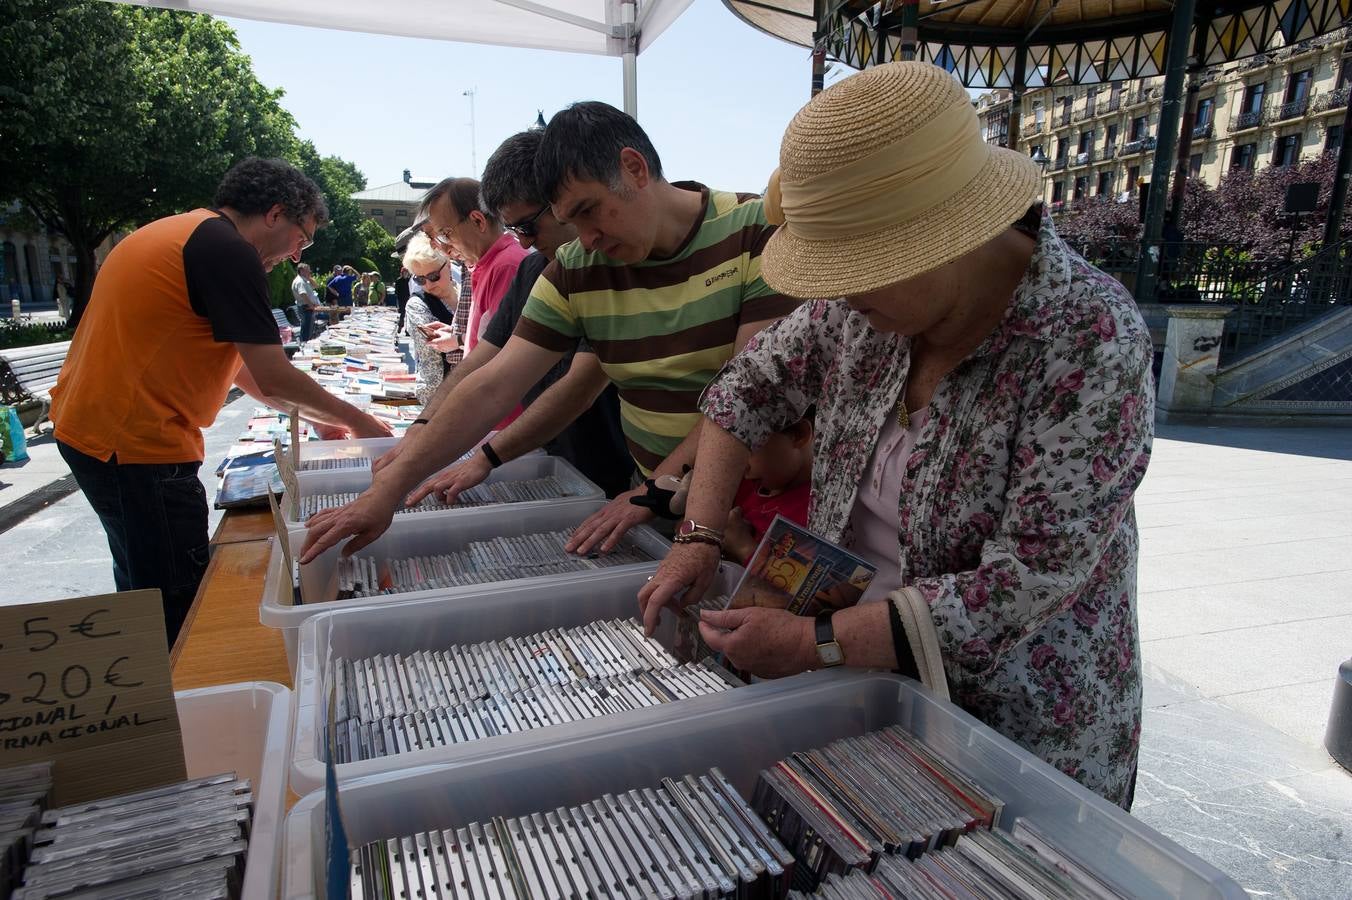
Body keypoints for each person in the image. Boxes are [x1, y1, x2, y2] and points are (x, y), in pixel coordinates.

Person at [637, 62, 1155, 810]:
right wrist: (697, 534)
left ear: (951, 239)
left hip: (1012, 724)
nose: (840, 294)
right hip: (855, 683)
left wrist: (818, 643)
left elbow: (1023, 582)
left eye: (860, 270)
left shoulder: (1090, 339)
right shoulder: (855, 315)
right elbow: (741, 394)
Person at [300, 101, 798, 565]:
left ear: (634, 168)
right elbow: (494, 381)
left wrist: (660, 492)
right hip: (654, 498)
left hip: (760, 511)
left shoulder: (756, 231)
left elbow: (745, 400)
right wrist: (389, 490)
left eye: (588, 210)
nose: (585, 239)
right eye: (567, 221)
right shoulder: (577, 266)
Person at [49, 157, 391, 647]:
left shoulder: (188, 232)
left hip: (100, 434)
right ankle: (173, 703)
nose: (298, 254)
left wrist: (312, 415)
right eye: (303, 237)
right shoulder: (228, 252)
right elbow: (272, 376)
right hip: (134, 445)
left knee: (142, 581)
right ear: (275, 214)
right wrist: (361, 423)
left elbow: (239, 365)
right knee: (173, 602)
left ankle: (158, 684)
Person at [374, 129, 634, 500]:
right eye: (515, 229)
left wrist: (483, 458)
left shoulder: (536, 264)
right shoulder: (538, 269)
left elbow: (573, 389)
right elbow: (487, 364)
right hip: (548, 451)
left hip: (598, 462)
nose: (524, 241)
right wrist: (423, 427)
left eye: (528, 226)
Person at [721, 410, 813, 565]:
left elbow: (809, 586)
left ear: (799, 435)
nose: (740, 466)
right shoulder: (756, 480)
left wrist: (744, 548)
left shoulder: (817, 513)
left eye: (749, 449)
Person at [401, 234, 461, 403]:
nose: (428, 284)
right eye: (420, 279)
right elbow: (438, 345)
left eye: (434, 276)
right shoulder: (417, 304)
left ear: (448, 265)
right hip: (438, 395)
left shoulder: (467, 293)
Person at [291, 262, 320, 341]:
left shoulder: (305, 280)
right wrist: (311, 306)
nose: (310, 271)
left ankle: (305, 346)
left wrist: (309, 278)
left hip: (307, 307)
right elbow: (303, 294)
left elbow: (316, 286)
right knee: (306, 331)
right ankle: (305, 348)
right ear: (301, 271)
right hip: (306, 308)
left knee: (308, 330)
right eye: (307, 270)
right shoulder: (300, 281)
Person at [393, 266, 411, 331]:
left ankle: (407, 329)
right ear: (402, 273)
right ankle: (400, 325)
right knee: (402, 313)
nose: (406, 274)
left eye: (407, 272)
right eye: (404, 272)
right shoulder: (398, 280)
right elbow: (396, 291)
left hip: (408, 299)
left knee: (408, 314)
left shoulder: (409, 280)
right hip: (401, 299)